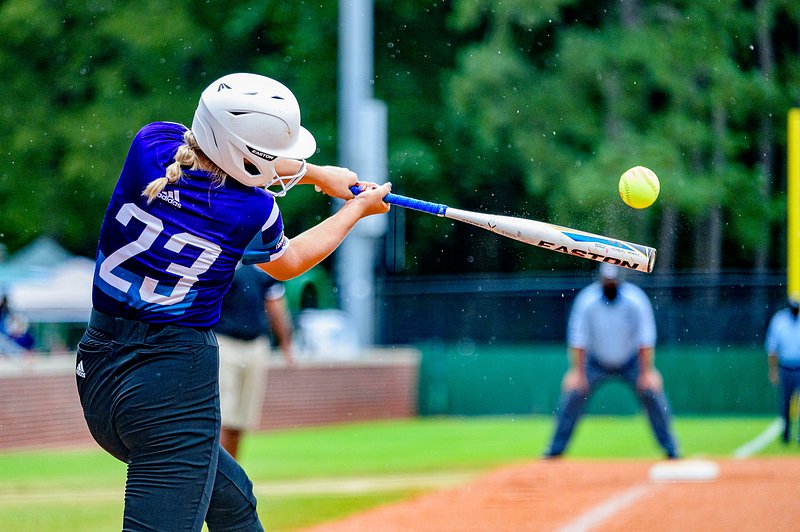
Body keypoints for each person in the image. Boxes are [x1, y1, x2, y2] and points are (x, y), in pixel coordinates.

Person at [75, 72, 391, 531]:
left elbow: (227, 158)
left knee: (235, 505)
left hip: (100, 366)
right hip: (172, 381)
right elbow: (289, 262)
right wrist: (355, 210)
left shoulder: (150, 145)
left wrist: (318, 175)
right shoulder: (252, 211)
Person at [544, 263, 679, 460]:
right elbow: (578, 339)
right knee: (574, 392)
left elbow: (645, 338)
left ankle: (671, 448)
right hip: (595, 361)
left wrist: (646, 372)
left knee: (651, 391)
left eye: (613, 282)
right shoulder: (587, 300)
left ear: (619, 281)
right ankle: (554, 451)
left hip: (631, 360)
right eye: (607, 282)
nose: (610, 286)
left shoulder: (635, 299)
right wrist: (578, 373)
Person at [215, 264, 294, 459]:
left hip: (256, 343)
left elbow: (275, 304)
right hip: (224, 341)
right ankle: (214, 472)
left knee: (241, 419)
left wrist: (286, 343)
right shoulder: (223, 258)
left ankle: (230, 473)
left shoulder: (263, 262)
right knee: (222, 416)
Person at [764, 296, 800, 444]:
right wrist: (773, 371)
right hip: (785, 367)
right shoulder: (779, 321)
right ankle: (786, 434)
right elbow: (772, 348)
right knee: (786, 402)